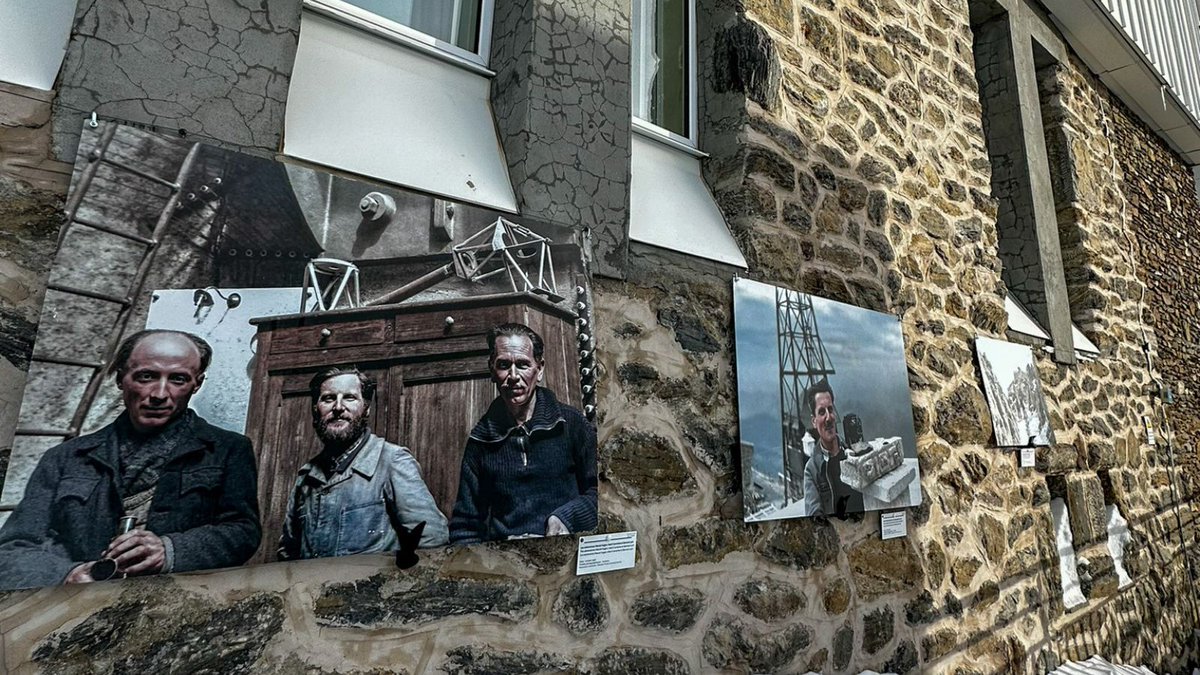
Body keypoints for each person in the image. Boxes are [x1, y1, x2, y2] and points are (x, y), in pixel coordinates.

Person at [0, 330, 261, 590]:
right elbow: (12, 547)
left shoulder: (229, 449)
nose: (159, 393)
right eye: (146, 376)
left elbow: (243, 531)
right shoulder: (65, 457)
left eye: (178, 379)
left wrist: (169, 551)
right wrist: (67, 574)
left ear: (197, 384)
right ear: (120, 379)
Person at [277, 366, 448, 560]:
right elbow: (287, 556)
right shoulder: (306, 477)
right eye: (328, 398)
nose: (338, 407)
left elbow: (431, 541)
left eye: (349, 398)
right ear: (316, 410)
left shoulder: (392, 460)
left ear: (366, 408)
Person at [449, 323, 597, 544]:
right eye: (504, 365)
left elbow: (604, 495)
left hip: (568, 555)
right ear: (492, 370)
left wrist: (565, 518)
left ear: (540, 369)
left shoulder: (572, 424)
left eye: (523, 364)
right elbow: (465, 528)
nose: (514, 376)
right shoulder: (480, 441)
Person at [802, 378, 864, 517]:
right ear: (814, 421)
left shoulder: (854, 451)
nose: (828, 418)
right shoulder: (812, 470)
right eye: (822, 412)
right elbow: (814, 515)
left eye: (830, 409)